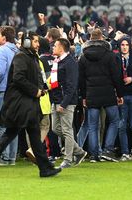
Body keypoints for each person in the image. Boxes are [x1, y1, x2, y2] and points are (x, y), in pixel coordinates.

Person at [0, 32, 61, 178]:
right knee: (14, 134)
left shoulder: (30, 57)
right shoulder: (22, 57)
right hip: (21, 103)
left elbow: (32, 77)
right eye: (35, 41)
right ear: (28, 42)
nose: (37, 44)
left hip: (26, 103)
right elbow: (19, 78)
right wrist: (35, 91)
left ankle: (44, 168)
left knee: (32, 135)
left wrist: (42, 88)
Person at [79, 28, 123, 162]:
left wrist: (84, 97)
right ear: (102, 38)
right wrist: (119, 93)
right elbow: (117, 76)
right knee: (115, 121)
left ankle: (94, 155)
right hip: (108, 93)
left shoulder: (83, 57)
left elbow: (81, 79)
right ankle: (107, 150)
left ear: (90, 39)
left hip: (91, 94)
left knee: (93, 125)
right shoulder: (110, 55)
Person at [49, 38, 87, 168]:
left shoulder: (70, 62)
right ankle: (79, 152)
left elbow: (72, 85)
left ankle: (68, 159)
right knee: (56, 128)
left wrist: (64, 103)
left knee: (66, 130)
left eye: (55, 45)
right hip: (56, 100)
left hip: (67, 101)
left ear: (61, 48)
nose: (53, 48)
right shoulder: (57, 61)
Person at [0, 26, 19, 166]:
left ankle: (5, 157)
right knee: (14, 125)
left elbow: (1, 72)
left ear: (4, 37)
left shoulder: (2, 50)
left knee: (3, 125)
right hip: (17, 91)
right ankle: (12, 158)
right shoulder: (18, 50)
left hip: (4, 90)